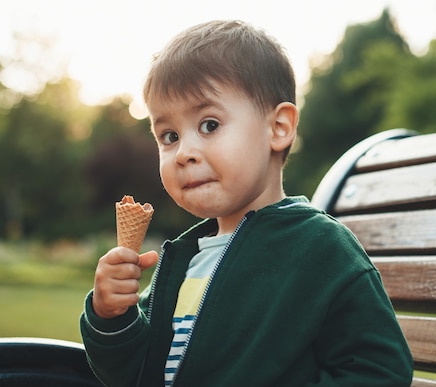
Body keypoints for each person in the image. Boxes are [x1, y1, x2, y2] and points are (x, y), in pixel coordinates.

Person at [80, 19, 413, 387]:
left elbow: (380, 371)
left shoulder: (321, 251)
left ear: (279, 128)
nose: (184, 153)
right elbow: (132, 374)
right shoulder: (184, 259)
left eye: (209, 125)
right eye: (169, 136)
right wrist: (111, 316)